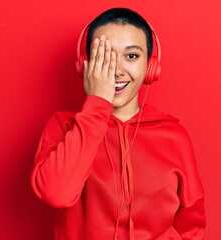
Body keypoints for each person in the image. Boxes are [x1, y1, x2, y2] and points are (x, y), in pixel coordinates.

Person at [31, 7, 206, 240]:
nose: (117, 71)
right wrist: (96, 105)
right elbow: (56, 193)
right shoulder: (64, 126)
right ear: (85, 66)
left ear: (150, 67)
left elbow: (192, 222)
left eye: (131, 56)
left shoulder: (174, 134)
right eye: (104, 57)